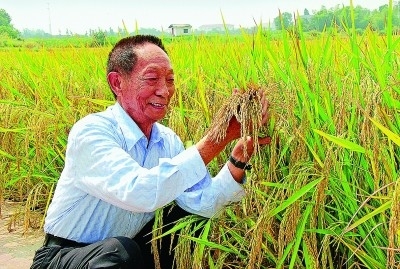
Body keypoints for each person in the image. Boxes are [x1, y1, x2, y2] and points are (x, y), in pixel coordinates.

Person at [30, 34, 271, 269]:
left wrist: (238, 159)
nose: (164, 91)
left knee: (185, 222)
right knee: (119, 252)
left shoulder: (167, 141)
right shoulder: (92, 132)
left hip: (124, 253)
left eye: (170, 80)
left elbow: (203, 203)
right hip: (64, 257)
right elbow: (140, 192)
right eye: (152, 78)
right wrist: (218, 138)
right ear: (117, 83)